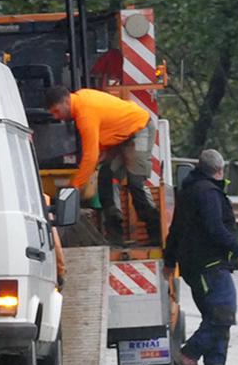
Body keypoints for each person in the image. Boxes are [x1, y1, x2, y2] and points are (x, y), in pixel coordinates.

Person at [163, 149, 238, 365]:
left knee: (214, 316)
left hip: (196, 266)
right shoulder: (209, 193)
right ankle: (189, 353)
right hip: (209, 265)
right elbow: (215, 228)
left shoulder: (189, 191)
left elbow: (176, 230)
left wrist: (169, 260)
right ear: (220, 170)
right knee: (223, 314)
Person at [44, 85, 161, 246]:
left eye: (57, 111)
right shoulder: (81, 101)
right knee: (105, 177)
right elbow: (102, 135)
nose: (57, 118)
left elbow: (90, 157)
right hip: (120, 137)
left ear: (66, 101)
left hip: (139, 128)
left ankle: (155, 233)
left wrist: (73, 187)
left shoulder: (85, 113)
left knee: (135, 181)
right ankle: (115, 235)